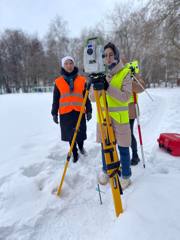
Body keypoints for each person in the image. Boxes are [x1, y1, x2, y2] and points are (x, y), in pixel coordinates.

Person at [89, 42, 132, 190]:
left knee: (124, 148)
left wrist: (108, 87)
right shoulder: (99, 73)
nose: (108, 58)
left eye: (110, 55)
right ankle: (106, 170)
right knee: (105, 147)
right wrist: (96, 84)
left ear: (116, 55)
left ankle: (126, 175)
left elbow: (126, 97)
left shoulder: (125, 72)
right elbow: (92, 98)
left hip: (120, 118)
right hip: (103, 118)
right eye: (105, 55)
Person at [51, 56, 92, 163]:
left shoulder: (82, 80)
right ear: (63, 66)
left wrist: (89, 110)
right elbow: (55, 99)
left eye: (71, 63)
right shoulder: (58, 82)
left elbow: (86, 97)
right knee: (70, 135)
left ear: (74, 65)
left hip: (79, 111)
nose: (69, 66)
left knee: (81, 133)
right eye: (66, 64)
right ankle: (74, 152)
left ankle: (81, 147)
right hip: (65, 113)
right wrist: (54, 113)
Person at [128, 74, 145, 165]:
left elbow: (141, 87)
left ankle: (135, 156)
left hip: (130, 110)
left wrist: (136, 77)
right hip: (118, 111)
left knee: (129, 134)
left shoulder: (132, 79)